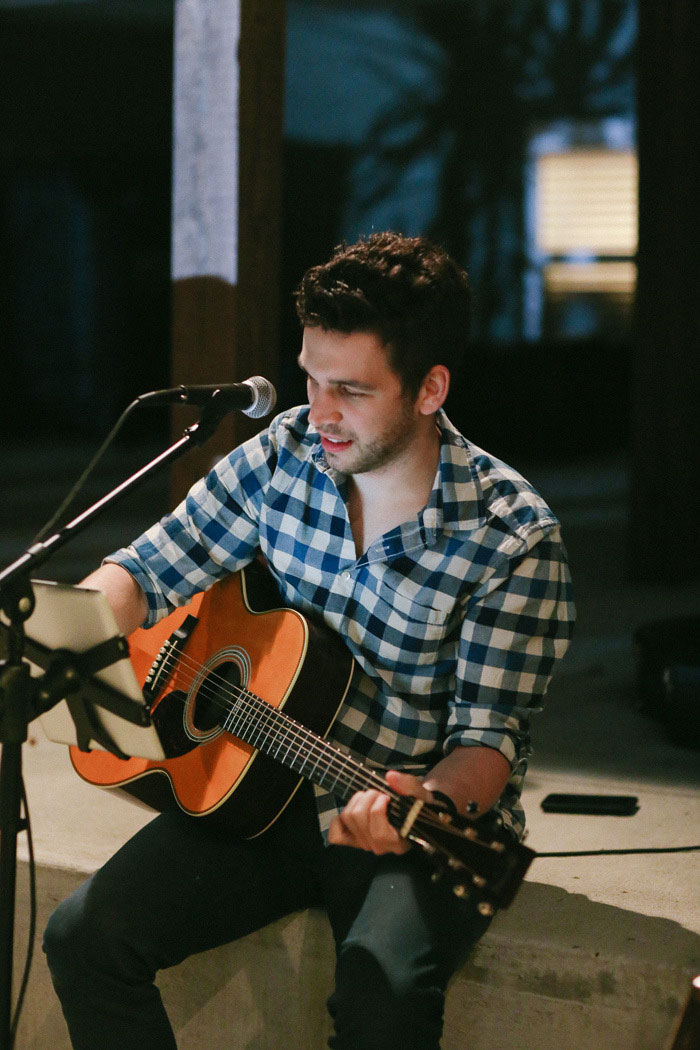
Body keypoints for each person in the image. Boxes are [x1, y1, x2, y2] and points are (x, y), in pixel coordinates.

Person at [43, 232, 575, 1050]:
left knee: (382, 990)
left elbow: (487, 740)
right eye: (311, 379)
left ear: (430, 388)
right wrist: (67, 634)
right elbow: (148, 570)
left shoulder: (512, 537)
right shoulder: (285, 453)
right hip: (260, 784)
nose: (319, 411)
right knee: (84, 937)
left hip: (402, 808)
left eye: (352, 391)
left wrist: (423, 805)